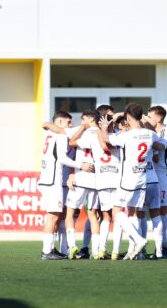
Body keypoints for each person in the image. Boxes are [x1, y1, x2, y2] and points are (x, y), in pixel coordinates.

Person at [100, 102, 165, 260]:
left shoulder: (125, 135)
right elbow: (160, 145)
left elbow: (106, 140)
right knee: (135, 213)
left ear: (128, 118)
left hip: (128, 179)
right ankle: (135, 251)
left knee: (117, 212)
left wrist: (103, 126)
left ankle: (138, 239)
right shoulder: (149, 134)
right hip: (143, 178)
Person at [38, 111, 94, 260]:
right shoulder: (61, 135)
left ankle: (52, 249)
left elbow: (45, 125)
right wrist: (80, 165)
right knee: (53, 216)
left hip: (48, 178)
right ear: (60, 123)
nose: (71, 125)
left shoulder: (50, 135)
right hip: (52, 180)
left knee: (57, 216)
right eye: (68, 123)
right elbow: (62, 158)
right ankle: (46, 251)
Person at [145, 106, 167, 258]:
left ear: (158, 118)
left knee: (166, 208)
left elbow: (160, 146)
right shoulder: (151, 132)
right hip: (153, 174)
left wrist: (148, 136)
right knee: (156, 210)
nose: (147, 118)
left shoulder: (166, 131)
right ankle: (163, 246)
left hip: (163, 173)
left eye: (149, 116)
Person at [65, 109, 100, 259]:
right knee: (93, 215)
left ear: (89, 119)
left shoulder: (87, 133)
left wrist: (81, 128)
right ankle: (97, 250)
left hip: (82, 177)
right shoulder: (102, 133)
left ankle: (72, 246)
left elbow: (72, 142)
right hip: (96, 179)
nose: (81, 120)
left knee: (70, 213)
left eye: (83, 118)